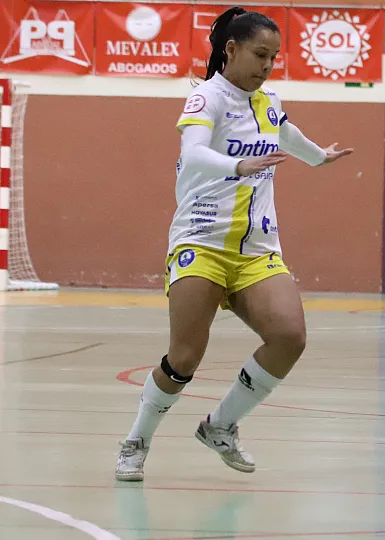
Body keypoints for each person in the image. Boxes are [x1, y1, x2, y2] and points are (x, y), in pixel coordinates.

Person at [115, 6, 353, 482]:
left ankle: (220, 425)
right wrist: (237, 166)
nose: (268, 65)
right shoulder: (208, 98)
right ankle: (136, 440)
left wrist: (318, 157)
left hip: (257, 248)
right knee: (184, 358)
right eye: (260, 55)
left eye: (274, 57)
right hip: (201, 241)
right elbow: (193, 153)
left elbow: (284, 132)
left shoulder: (268, 101)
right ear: (231, 49)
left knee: (289, 337)